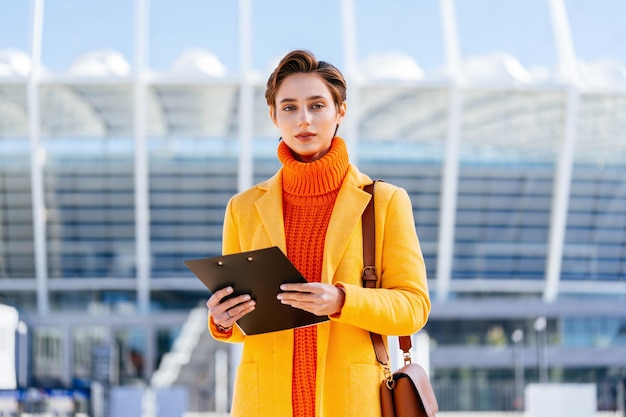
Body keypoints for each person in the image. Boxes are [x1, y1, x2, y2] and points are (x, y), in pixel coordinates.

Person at [206, 49, 431, 417]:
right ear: (274, 116)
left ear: (340, 111)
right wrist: (223, 318)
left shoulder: (385, 202)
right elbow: (246, 322)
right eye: (290, 107)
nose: (304, 120)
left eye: (317, 105)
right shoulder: (242, 209)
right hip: (264, 404)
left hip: (353, 403)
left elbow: (414, 307)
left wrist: (342, 301)